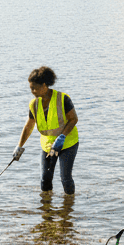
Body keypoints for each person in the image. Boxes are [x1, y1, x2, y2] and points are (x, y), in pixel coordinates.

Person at [14, 66, 79, 194]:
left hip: (67, 143)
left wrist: (62, 137)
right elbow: (29, 125)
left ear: (44, 85)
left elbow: (73, 119)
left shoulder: (63, 99)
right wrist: (19, 146)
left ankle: (69, 207)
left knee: (65, 178)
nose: (32, 91)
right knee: (45, 179)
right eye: (30, 88)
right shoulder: (34, 104)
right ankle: (46, 208)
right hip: (47, 145)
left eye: (34, 88)